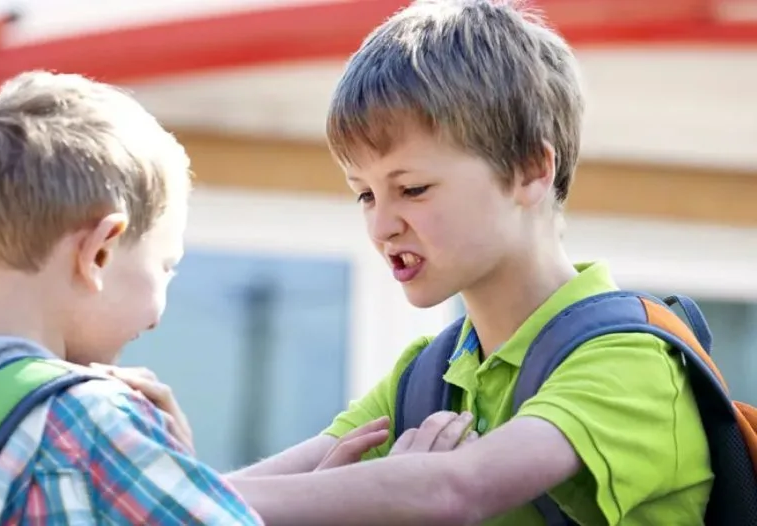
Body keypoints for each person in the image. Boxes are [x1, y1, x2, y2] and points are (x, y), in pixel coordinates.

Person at [187, 1, 712, 524]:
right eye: (365, 195)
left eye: (412, 189)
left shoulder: (631, 360)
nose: (382, 226)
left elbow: (457, 490)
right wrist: (157, 481)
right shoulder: (428, 376)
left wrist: (183, 498)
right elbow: (256, 489)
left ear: (530, 169)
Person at [0, 71, 261, 525]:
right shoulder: (93, 424)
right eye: (164, 267)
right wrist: (180, 466)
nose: (156, 319)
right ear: (100, 252)